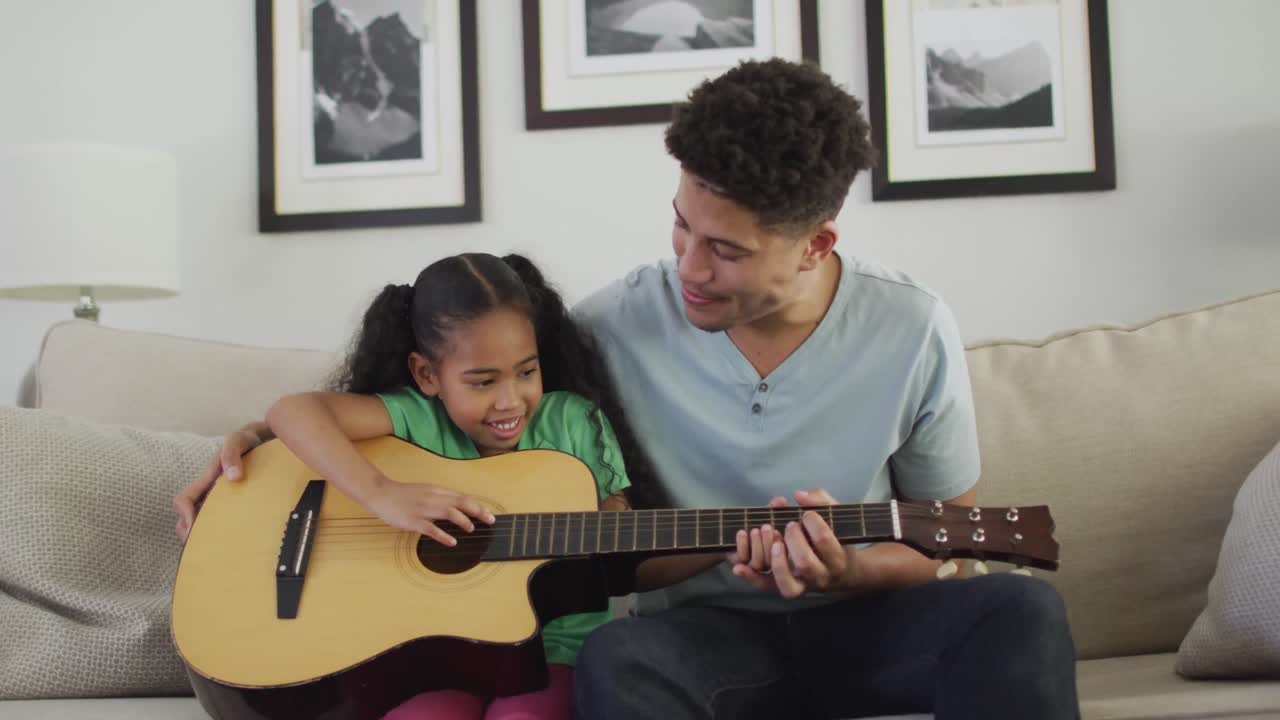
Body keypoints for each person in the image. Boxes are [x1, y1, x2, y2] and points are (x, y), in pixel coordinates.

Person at [177, 59, 1078, 719]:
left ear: (816, 244)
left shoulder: (913, 326)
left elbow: (939, 537)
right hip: (697, 643)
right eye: (681, 226)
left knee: (1019, 608)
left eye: (726, 250)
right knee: (616, 657)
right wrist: (261, 448)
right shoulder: (609, 326)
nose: (689, 267)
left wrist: (848, 568)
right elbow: (442, 410)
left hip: (871, 628)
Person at [176, 252, 662, 720]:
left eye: (526, 372)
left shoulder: (574, 422)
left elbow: (617, 528)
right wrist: (381, 493)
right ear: (427, 374)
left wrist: (620, 526)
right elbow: (291, 412)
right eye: (483, 382)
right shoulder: (415, 419)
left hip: (553, 652)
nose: (510, 400)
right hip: (428, 660)